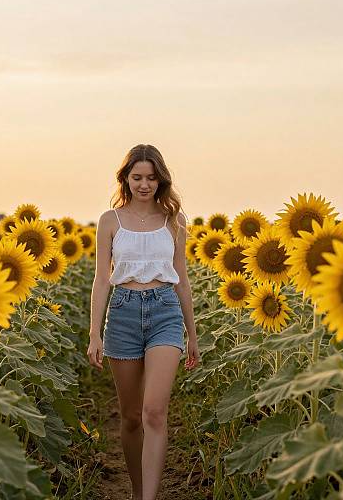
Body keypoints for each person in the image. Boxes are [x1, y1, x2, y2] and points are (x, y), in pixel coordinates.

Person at [86, 144, 200, 500]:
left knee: (154, 411)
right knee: (132, 416)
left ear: (161, 179)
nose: (144, 184)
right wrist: (94, 333)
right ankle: (137, 491)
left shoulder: (175, 220)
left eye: (151, 177)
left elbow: (180, 275)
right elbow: (102, 279)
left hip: (164, 310)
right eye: (137, 177)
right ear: (126, 178)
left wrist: (192, 334)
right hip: (122, 313)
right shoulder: (110, 220)